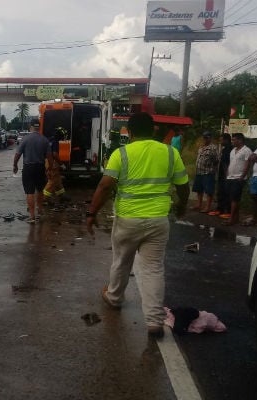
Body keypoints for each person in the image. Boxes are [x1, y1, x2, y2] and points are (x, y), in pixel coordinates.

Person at [85, 112, 190, 338]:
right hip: (158, 220)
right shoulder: (171, 152)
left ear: (129, 132)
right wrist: (182, 206)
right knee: (153, 269)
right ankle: (154, 322)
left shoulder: (120, 154)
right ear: (153, 130)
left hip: (128, 220)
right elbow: (183, 184)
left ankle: (114, 298)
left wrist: (91, 213)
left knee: (122, 261)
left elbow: (104, 186)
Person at [13, 119, 53, 224]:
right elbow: (50, 157)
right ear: (39, 127)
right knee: (40, 190)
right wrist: (50, 168)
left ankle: (32, 217)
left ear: (30, 127)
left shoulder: (25, 139)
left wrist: (15, 165)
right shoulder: (44, 140)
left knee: (29, 192)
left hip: (28, 168)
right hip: (40, 168)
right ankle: (39, 210)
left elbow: (18, 154)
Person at [223, 133, 252, 226]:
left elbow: (248, 164)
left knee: (234, 199)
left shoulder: (246, 150)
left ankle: (231, 219)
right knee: (232, 198)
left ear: (240, 140)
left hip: (238, 178)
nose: (232, 141)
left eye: (234, 140)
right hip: (230, 177)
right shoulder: (233, 151)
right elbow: (231, 163)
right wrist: (227, 173)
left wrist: (242, 176)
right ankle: (236, 218)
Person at [191, 131, 219, 213]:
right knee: (199, 189)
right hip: (199, 172)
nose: (205, 139)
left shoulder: (213, 147)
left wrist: (212, 168)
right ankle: (199, 205)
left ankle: (208, 207)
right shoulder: (201, 147)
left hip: (208, 172)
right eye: (204, 137)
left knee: (208, 191)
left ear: (210, 138)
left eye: (206, 137)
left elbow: (217, 160)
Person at [209, 133, 232, 218]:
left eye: (221, 140)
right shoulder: (224, 149)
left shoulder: (229, 149)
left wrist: (226, 175)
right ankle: (220, 209)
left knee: (226, 193)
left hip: (226, 175)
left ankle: (228, 211)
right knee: (220, 192)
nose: (220, 141)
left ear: (226, 140)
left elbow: (227, 163)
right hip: (221, 174)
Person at [43, 126, 67, 206]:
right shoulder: (56, 142)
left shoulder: (50, 140)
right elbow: (55, 154)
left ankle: (62, 196)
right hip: (52, 162)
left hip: (47, 161)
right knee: (52, 181)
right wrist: (61, 164)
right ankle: (44, 199)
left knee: (57, 180)